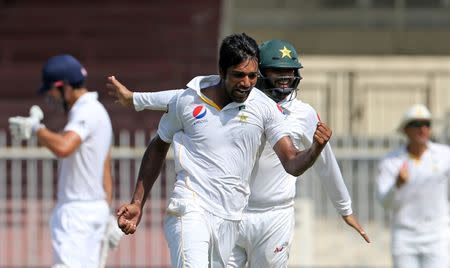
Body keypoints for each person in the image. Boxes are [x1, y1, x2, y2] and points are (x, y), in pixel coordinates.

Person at [109, 37, 369, 267]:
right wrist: (134, 98)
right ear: (223, 72)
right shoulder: (193, 97)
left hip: (256, 215)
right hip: (202, 207)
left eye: (252, 76)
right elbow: (172, 112)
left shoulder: (274, 110)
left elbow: (300, 162)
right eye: (239, 75)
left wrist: (319, 154)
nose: (246, 83)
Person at [8, 54, 114, 268]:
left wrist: (36, 129)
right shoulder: (98, 112)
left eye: (52, 92)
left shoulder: (87, 111)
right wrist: (106, 210)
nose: (52, 98)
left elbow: (64, 147)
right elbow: (105, 166)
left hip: (77, 216)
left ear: (64, 86)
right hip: (94, 211)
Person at [376, 104, 450, 268]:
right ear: (405, 129)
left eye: (426, 124)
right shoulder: (391, 161)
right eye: (416, 124)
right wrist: (397, 185)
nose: (422, 129)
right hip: (404, 236)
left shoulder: (445, 155)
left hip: (437, 236)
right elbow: (384, 202)